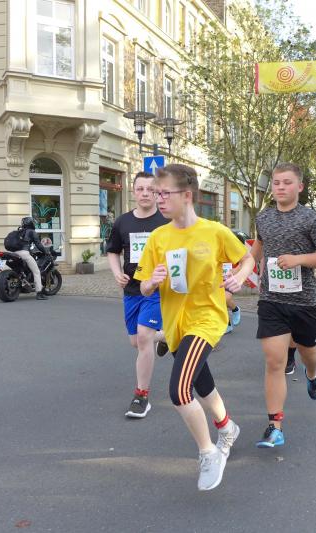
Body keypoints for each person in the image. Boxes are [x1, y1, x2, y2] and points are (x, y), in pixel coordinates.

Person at [135, 164, 254, 491]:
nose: (158, 199)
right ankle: (227, 427)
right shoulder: (158, 237)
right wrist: (151, 282)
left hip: (207, 319)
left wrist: (240, 276)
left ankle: (208, 452)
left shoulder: (214, 232)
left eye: (164, 193)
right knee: (203, 384)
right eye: (156, 193)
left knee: (179, 389)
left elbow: (247, 258)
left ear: (186, 195)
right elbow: (142, 286)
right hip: (176, 324)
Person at [251, 163, 316, 449]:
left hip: (304, 302)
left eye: (287, 182)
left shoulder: (311, 219)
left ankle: (311, 375)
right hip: (271, 299)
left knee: (309, 353)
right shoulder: (263, 218)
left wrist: (298, 259)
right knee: (274, 361)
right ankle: (275, 426)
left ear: (299, 187)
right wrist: (242, 270)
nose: (280, 187)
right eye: (276, 183)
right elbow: (258, 249)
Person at [106, 171, 168, 419]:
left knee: (143, 337)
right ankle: (168, 336)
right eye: (140, 189)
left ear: (157, 192)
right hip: (132, 289)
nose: (145, 193)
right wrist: (116, 273)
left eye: (150, 189)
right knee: (137, 341)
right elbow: (113, 251)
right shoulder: (123, 222)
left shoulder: (165, 221)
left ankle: (141, 396)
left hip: (158, 290)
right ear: (133, 191)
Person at [12, 217, 51, 300]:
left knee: (21, 270)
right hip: (24, 253)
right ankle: (39, 293)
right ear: (31, 223)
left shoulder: (19, 231)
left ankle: (24, 285)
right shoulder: (31, 232)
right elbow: (38, 244)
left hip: (14, 253)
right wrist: (45, 251)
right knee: (36, 272)